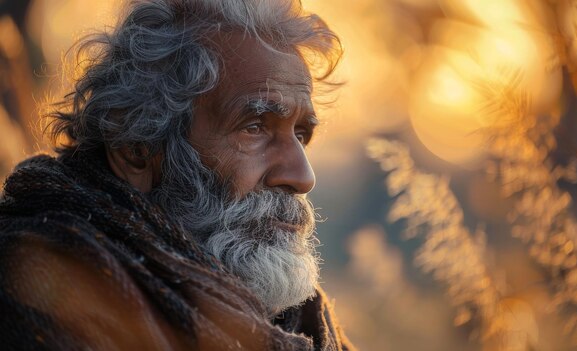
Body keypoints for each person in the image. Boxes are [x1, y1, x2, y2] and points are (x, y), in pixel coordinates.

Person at [0, 0, 354, 350]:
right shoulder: (29, 287)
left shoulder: (304, 323)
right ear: (136, 148)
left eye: (301, 135)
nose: (302, 176)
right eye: (255, 127)